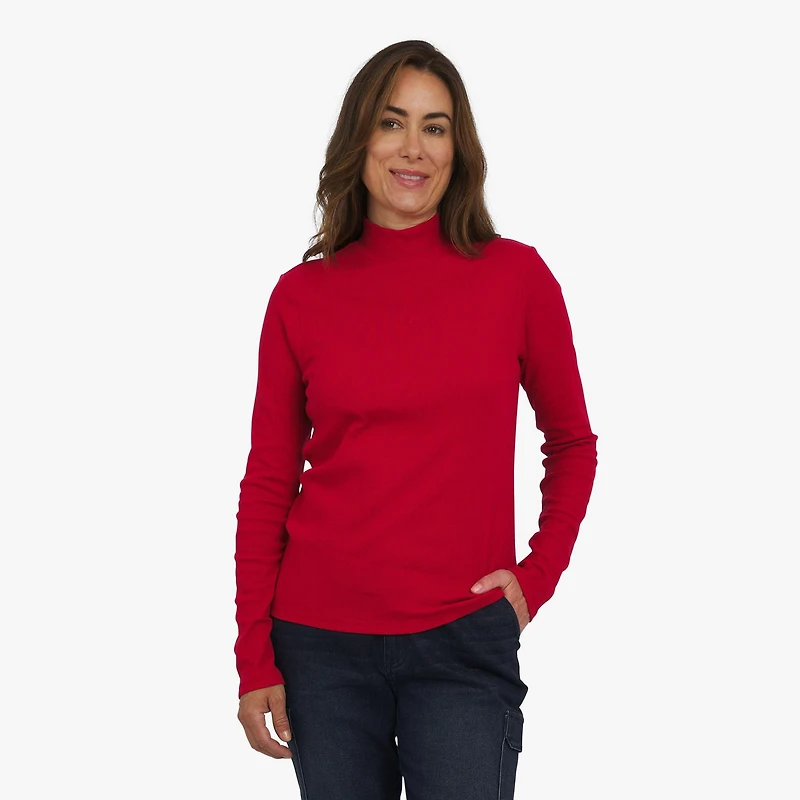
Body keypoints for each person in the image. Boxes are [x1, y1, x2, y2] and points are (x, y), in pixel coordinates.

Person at [234, 39, 598, 799]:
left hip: (463, 640)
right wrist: (254, 658)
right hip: (321, 647)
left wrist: (537, 577)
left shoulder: (517, 278)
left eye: (435, 127)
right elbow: (268, 481)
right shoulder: (301, 297)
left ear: (458, 150)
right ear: (359, 139)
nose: (413, 148)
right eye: (392, 122)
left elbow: (571, 444)